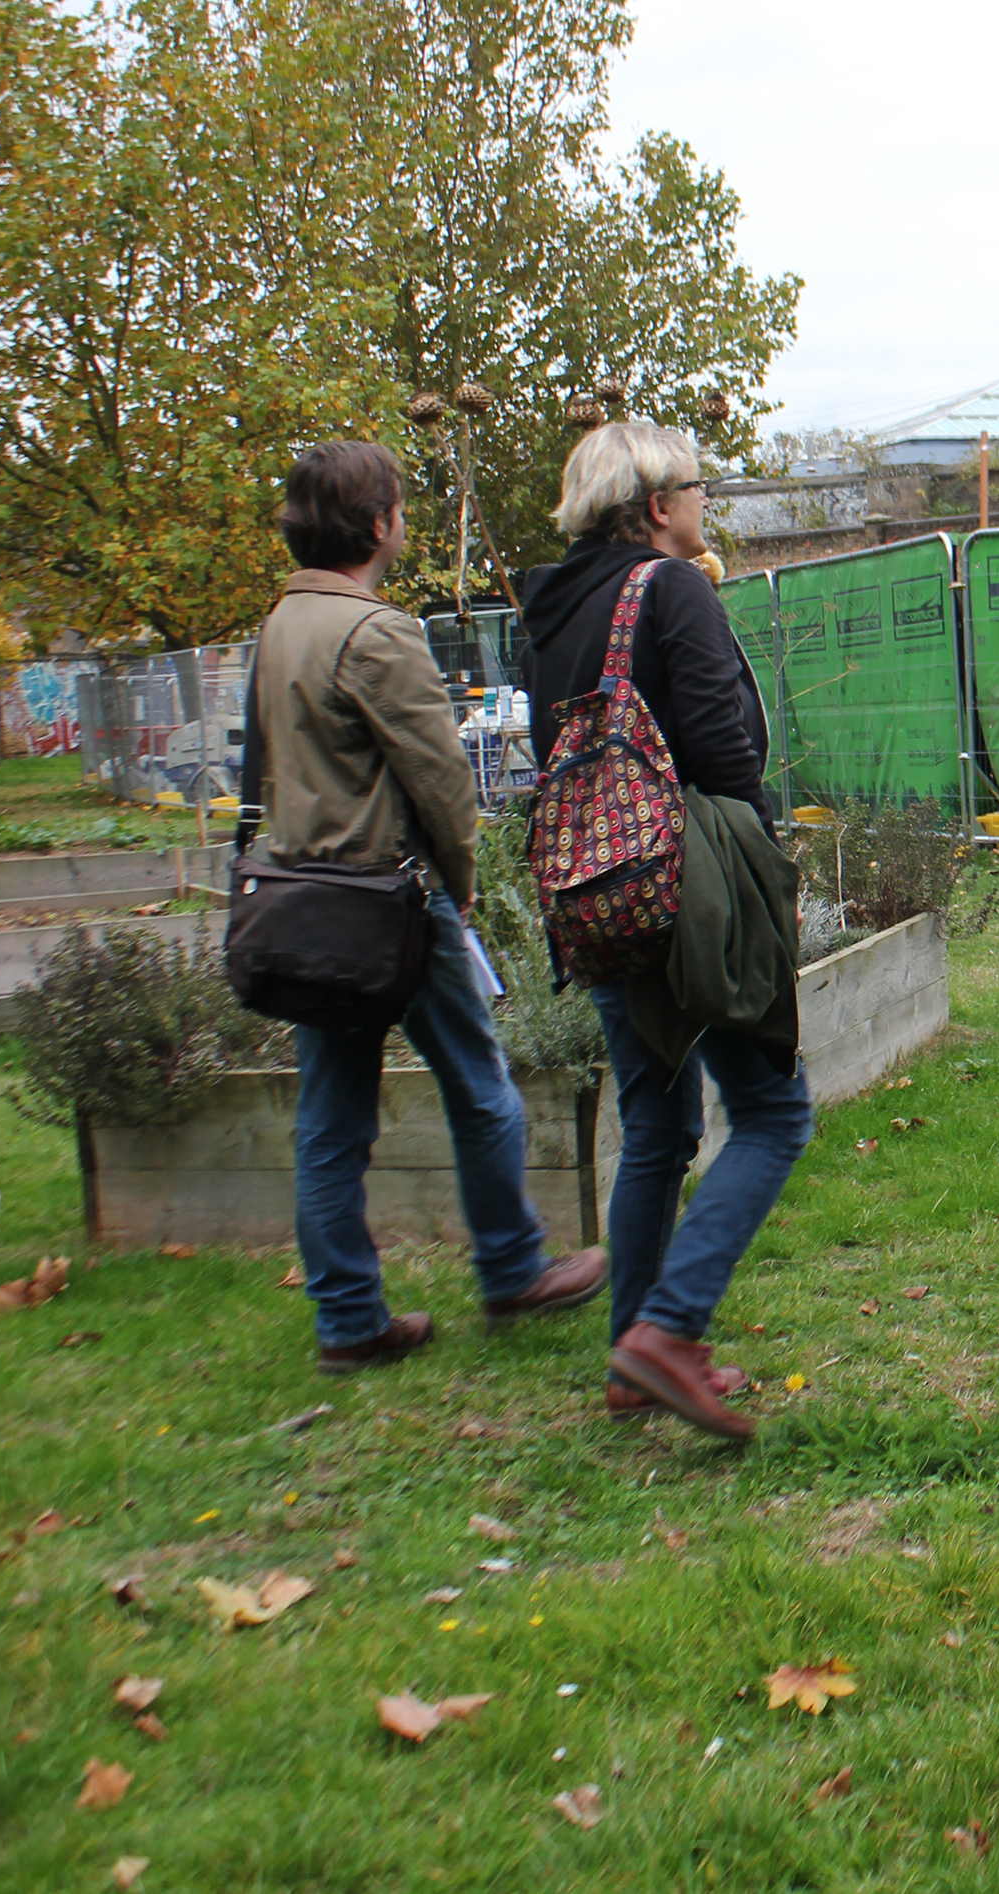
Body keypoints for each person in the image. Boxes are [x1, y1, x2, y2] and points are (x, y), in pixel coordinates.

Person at [251, 440, 605, 1377]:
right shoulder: (376, 634)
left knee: (330, 1122)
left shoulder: (277, 629)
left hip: (302, 900)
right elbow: (442, 780)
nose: (403, 521)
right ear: (377, 525)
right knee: (479, 1085)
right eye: (398, 507)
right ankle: (513, 1267)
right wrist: (461, 883)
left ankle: (348, 1323)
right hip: (389, 900)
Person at [521, 422, 811, 1442]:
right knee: (775, 1117)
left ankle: (624, 1358)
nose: (703, 505)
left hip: (598, 893)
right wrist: (762, 868)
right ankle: (666, 1330)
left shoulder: (547, 610)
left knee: (653, 1127)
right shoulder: (670, 587)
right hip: (689, 889)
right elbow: (722, 755)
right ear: (653, 506)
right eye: (694, 488)